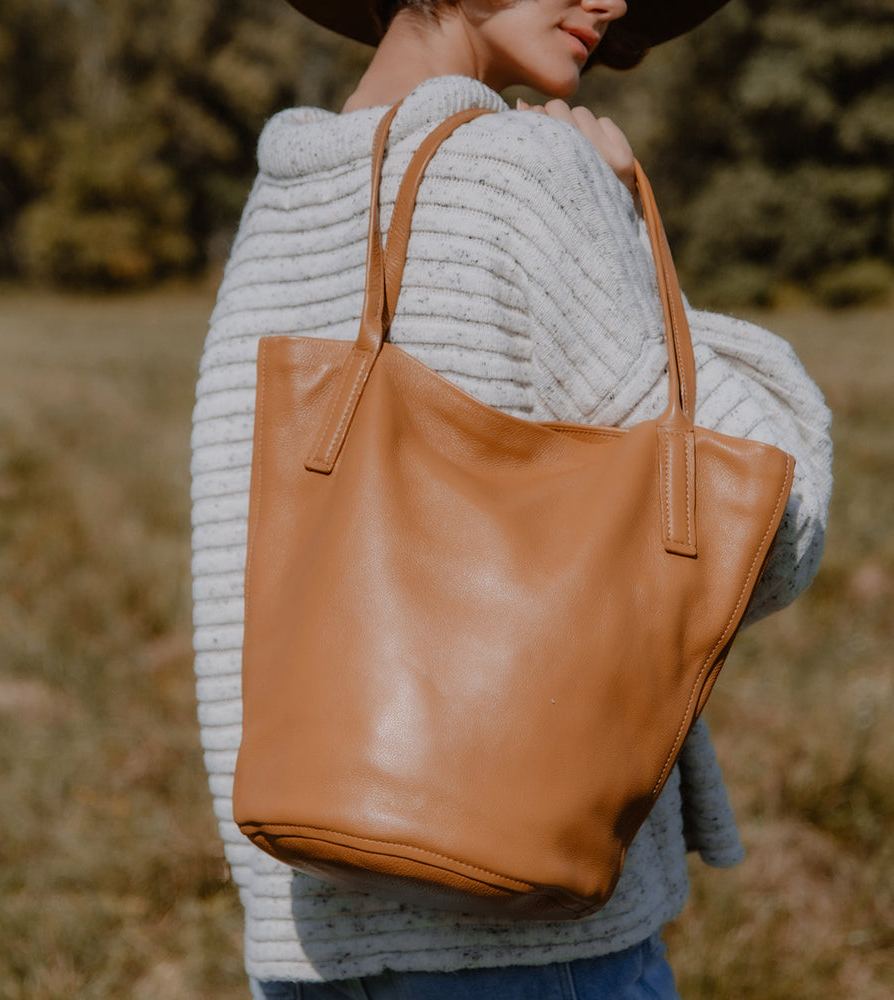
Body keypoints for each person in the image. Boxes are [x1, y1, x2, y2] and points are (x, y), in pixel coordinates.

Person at [190, 2, 833, 997]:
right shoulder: (528, 170)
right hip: (522, 944)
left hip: (309, 928)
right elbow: (770, 534)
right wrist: (623, 224)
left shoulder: (288, 192)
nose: (612, 1)